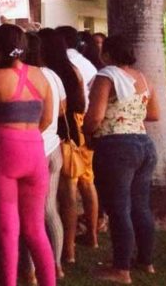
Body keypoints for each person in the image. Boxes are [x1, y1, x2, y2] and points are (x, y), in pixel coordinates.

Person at [0, 24, 55, 286]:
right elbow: (47, 119)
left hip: (3, 151)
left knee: (8, 228)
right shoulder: (41, 77)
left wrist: (2, 136)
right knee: (35, 228)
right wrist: (27, 134)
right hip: (35, 151)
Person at [83, 35, 159, 284]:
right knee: (140, 207)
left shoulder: (107, 76)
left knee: (119, 208)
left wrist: (88, 132)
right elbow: (154, 113)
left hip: (116, 146)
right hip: (144, 144)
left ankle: (121, 268)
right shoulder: (143, 77)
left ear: (108, 54)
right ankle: (146, 262)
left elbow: (95, 116)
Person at [38, 28, 93, 263]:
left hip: (55, 136)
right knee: (67, 196)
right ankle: (68, 250)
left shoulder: (45, 75)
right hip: (72, 134)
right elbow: (80, 106)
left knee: (51, 198)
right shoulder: (72, 71)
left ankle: (54, 249)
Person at [22, 32, 66, 280]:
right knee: (49, 210)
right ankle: (56, 264)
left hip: (33, 149)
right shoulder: (52, 75)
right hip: (53, 148)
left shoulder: (24, 76)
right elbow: (62, 109)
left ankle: (31, 268)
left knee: (30, 213)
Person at [55, 26, 100, 252]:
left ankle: (69, 248)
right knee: (87, 182)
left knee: (69, 188)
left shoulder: (59, 67)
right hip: (86, 127)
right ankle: (92, 236)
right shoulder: (85, 65)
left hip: (69, 130)